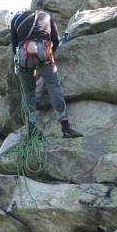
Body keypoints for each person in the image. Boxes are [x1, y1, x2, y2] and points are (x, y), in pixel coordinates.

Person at [10, 9, 83, 138]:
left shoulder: (16, 19)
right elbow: (55, 39)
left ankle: (32, 131)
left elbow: (14, 47)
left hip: (23, 53)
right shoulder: (46, 16)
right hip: (44, 49)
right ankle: (66, 128)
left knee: (28, 92)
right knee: (53, 86)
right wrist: (49, 55)